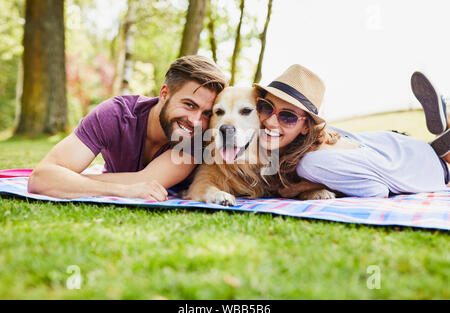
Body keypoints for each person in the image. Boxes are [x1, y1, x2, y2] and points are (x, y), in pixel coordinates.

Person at [28, 55, 227, 201]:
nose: (195, 121)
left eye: (206, 113)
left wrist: (73, 181)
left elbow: (148, 181)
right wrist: (122, 190)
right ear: (164, 93)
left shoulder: (198, 137)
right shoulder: (115, 115)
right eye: (189, 105)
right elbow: (41, 178)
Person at [254, 64, 450, 198]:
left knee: (442, 162)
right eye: (265, 107)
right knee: (437, 152)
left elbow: (377, 190)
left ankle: (443, 135)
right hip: (401, 147)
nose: (270, 121)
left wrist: (304, 186)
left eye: (288, 116)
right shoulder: (322, 137)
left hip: (425, 172)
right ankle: (445, 121)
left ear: (306, 127)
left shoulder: (311, 164)